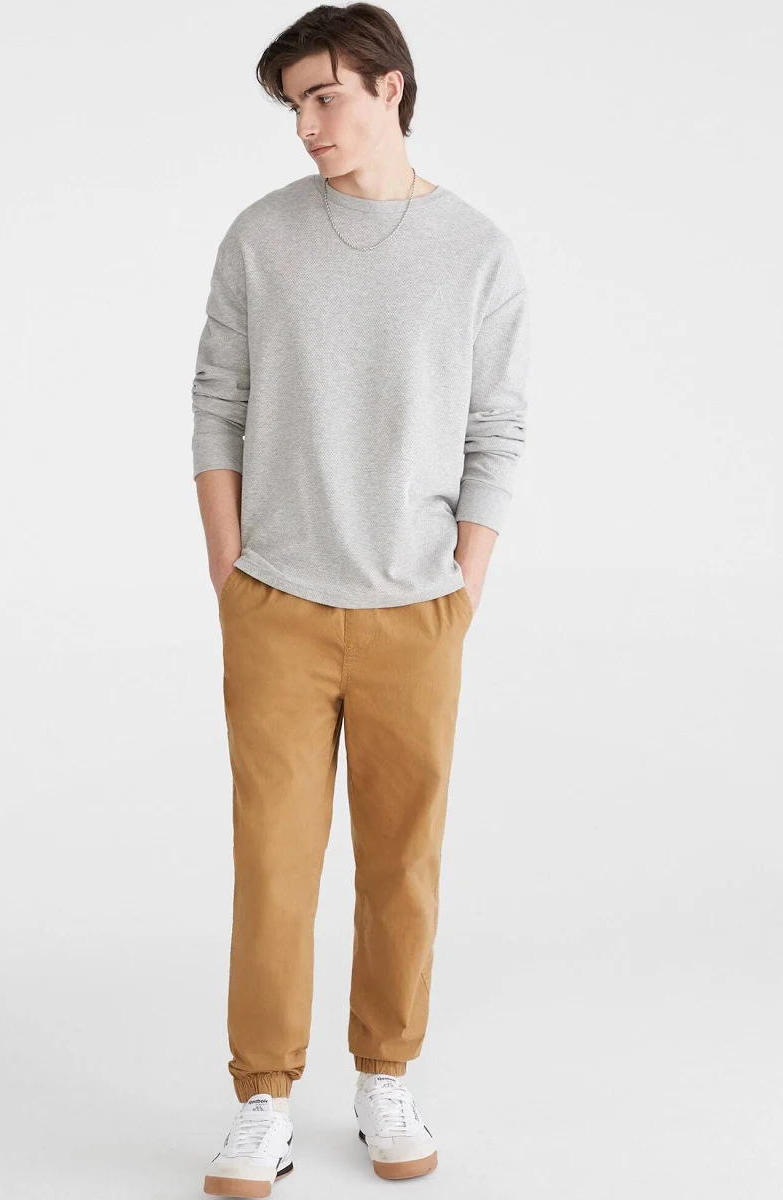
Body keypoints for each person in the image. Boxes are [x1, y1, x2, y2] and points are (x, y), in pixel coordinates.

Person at [192, 4, 529, 1195]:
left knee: (401, 865)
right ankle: (262, 1098)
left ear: (389, 87)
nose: (306, 126)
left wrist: (461, 588)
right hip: (275, 605)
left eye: (324, 97)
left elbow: (496, 432)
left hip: (415, 614)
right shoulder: (261, 236)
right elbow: (215, 403)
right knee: (272, 865)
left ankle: (385, 1074)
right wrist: (230, 571)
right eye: (294, 105)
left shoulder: (476, 251)